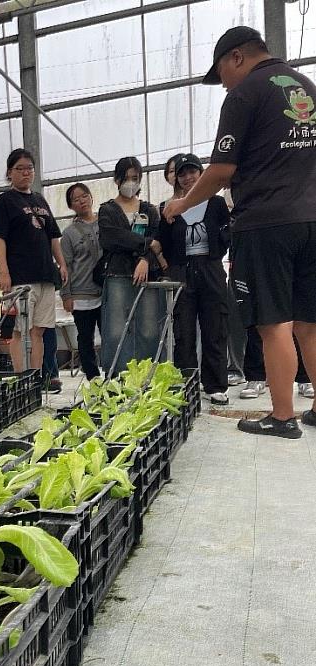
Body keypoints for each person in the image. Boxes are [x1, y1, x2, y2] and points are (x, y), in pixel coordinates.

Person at [165, 26, 316, 438]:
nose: (224, 84)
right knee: (309, 321)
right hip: (312, 218)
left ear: (236, 57)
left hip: (267, 220)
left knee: (272, 322)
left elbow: (221, 170)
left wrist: (181, 203)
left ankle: (282, 416)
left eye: (221, 74)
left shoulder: (246, 92)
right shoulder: (305, 85)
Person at [158, 153, 230, 404]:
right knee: (184, 330)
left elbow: (226, 234)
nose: (188, 178)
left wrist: (214, 253)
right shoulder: (169, 207)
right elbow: (163, 241)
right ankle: (187, 382)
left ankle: (216, 385)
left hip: (210, 268)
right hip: (182, 271)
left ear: (201, 174)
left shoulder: (216, 203)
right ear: (176, 178)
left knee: (215, 328)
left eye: (193, 172)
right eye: (182, 173)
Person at [0, 148, 68, 373]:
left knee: (39, 329)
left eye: (29, 168)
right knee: (18, 330)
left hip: (44, 274)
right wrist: (4, 271)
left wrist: (61, 263)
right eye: (20, 169)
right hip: (20, 276)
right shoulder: (4, 202)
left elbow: (53, 235)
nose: (26, 173)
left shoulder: (40, 200)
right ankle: (22, 376)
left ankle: (36, 377)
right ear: (9, 173)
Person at [98, 156, 166, 377]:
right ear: (117, 180)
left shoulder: (149, 209)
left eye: (135, 178)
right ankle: (119, 377)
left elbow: (157, 235)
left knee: (148, 329)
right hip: (117, 273)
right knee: (116, 330)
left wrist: (145, 260)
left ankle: (148, 377)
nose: (131, 183)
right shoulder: (107, 210)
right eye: (126, 178)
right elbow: (111, 238)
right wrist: (147, 244)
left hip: (146, 274)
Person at [60, 182, 102, 380]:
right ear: (71, 206)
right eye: (76, 199)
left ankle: (112, 376)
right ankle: (93, 379)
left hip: (106, 292)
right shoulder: (69, 233)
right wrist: (66, 294)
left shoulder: (105, 222)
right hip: (81, 294)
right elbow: (64, 266)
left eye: (84, 196)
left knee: (110, 336)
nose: (81, 201)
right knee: (85, 339)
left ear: (91, 197)